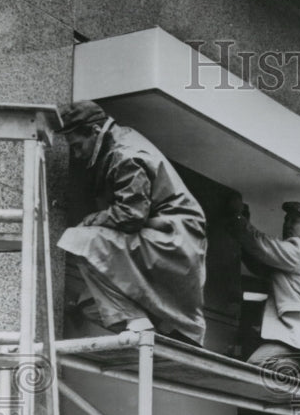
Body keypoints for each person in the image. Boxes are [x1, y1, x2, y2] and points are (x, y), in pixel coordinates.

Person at [55, 100, 207, 345]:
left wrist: (95, 218)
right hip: (177, 241)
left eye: (78, 145)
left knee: (78, 239)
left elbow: (131, 215)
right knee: (90, 304)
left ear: (95, 132)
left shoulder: (123, 154)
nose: (77, 154)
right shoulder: (123, 140)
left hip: (171, 240)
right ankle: (159, 329)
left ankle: (140, 323)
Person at [225, 197, 300, 385]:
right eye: (286, 220)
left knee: (257, 366)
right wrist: (242, 234)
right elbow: (260, 265)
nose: (287, 224)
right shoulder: (292, 258)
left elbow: (263, 246)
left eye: (294, 221)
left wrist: (238, 219)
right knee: (259, 370)